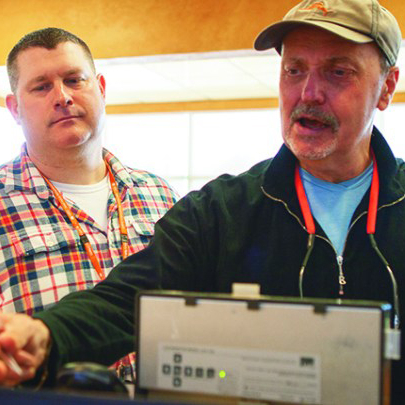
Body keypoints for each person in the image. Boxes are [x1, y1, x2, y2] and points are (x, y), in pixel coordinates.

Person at [1, 0, 404, 402]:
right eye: (294, 70)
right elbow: (130, 298)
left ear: (386, 87)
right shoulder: (221, 210)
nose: (309, 93)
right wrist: (45, 334)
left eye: (338, 72)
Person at [0, 28, 178, 381]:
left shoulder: (159, 195)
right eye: (41, 86)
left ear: (101, 88)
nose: (62, 96)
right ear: (15, 108)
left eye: (74, 79)